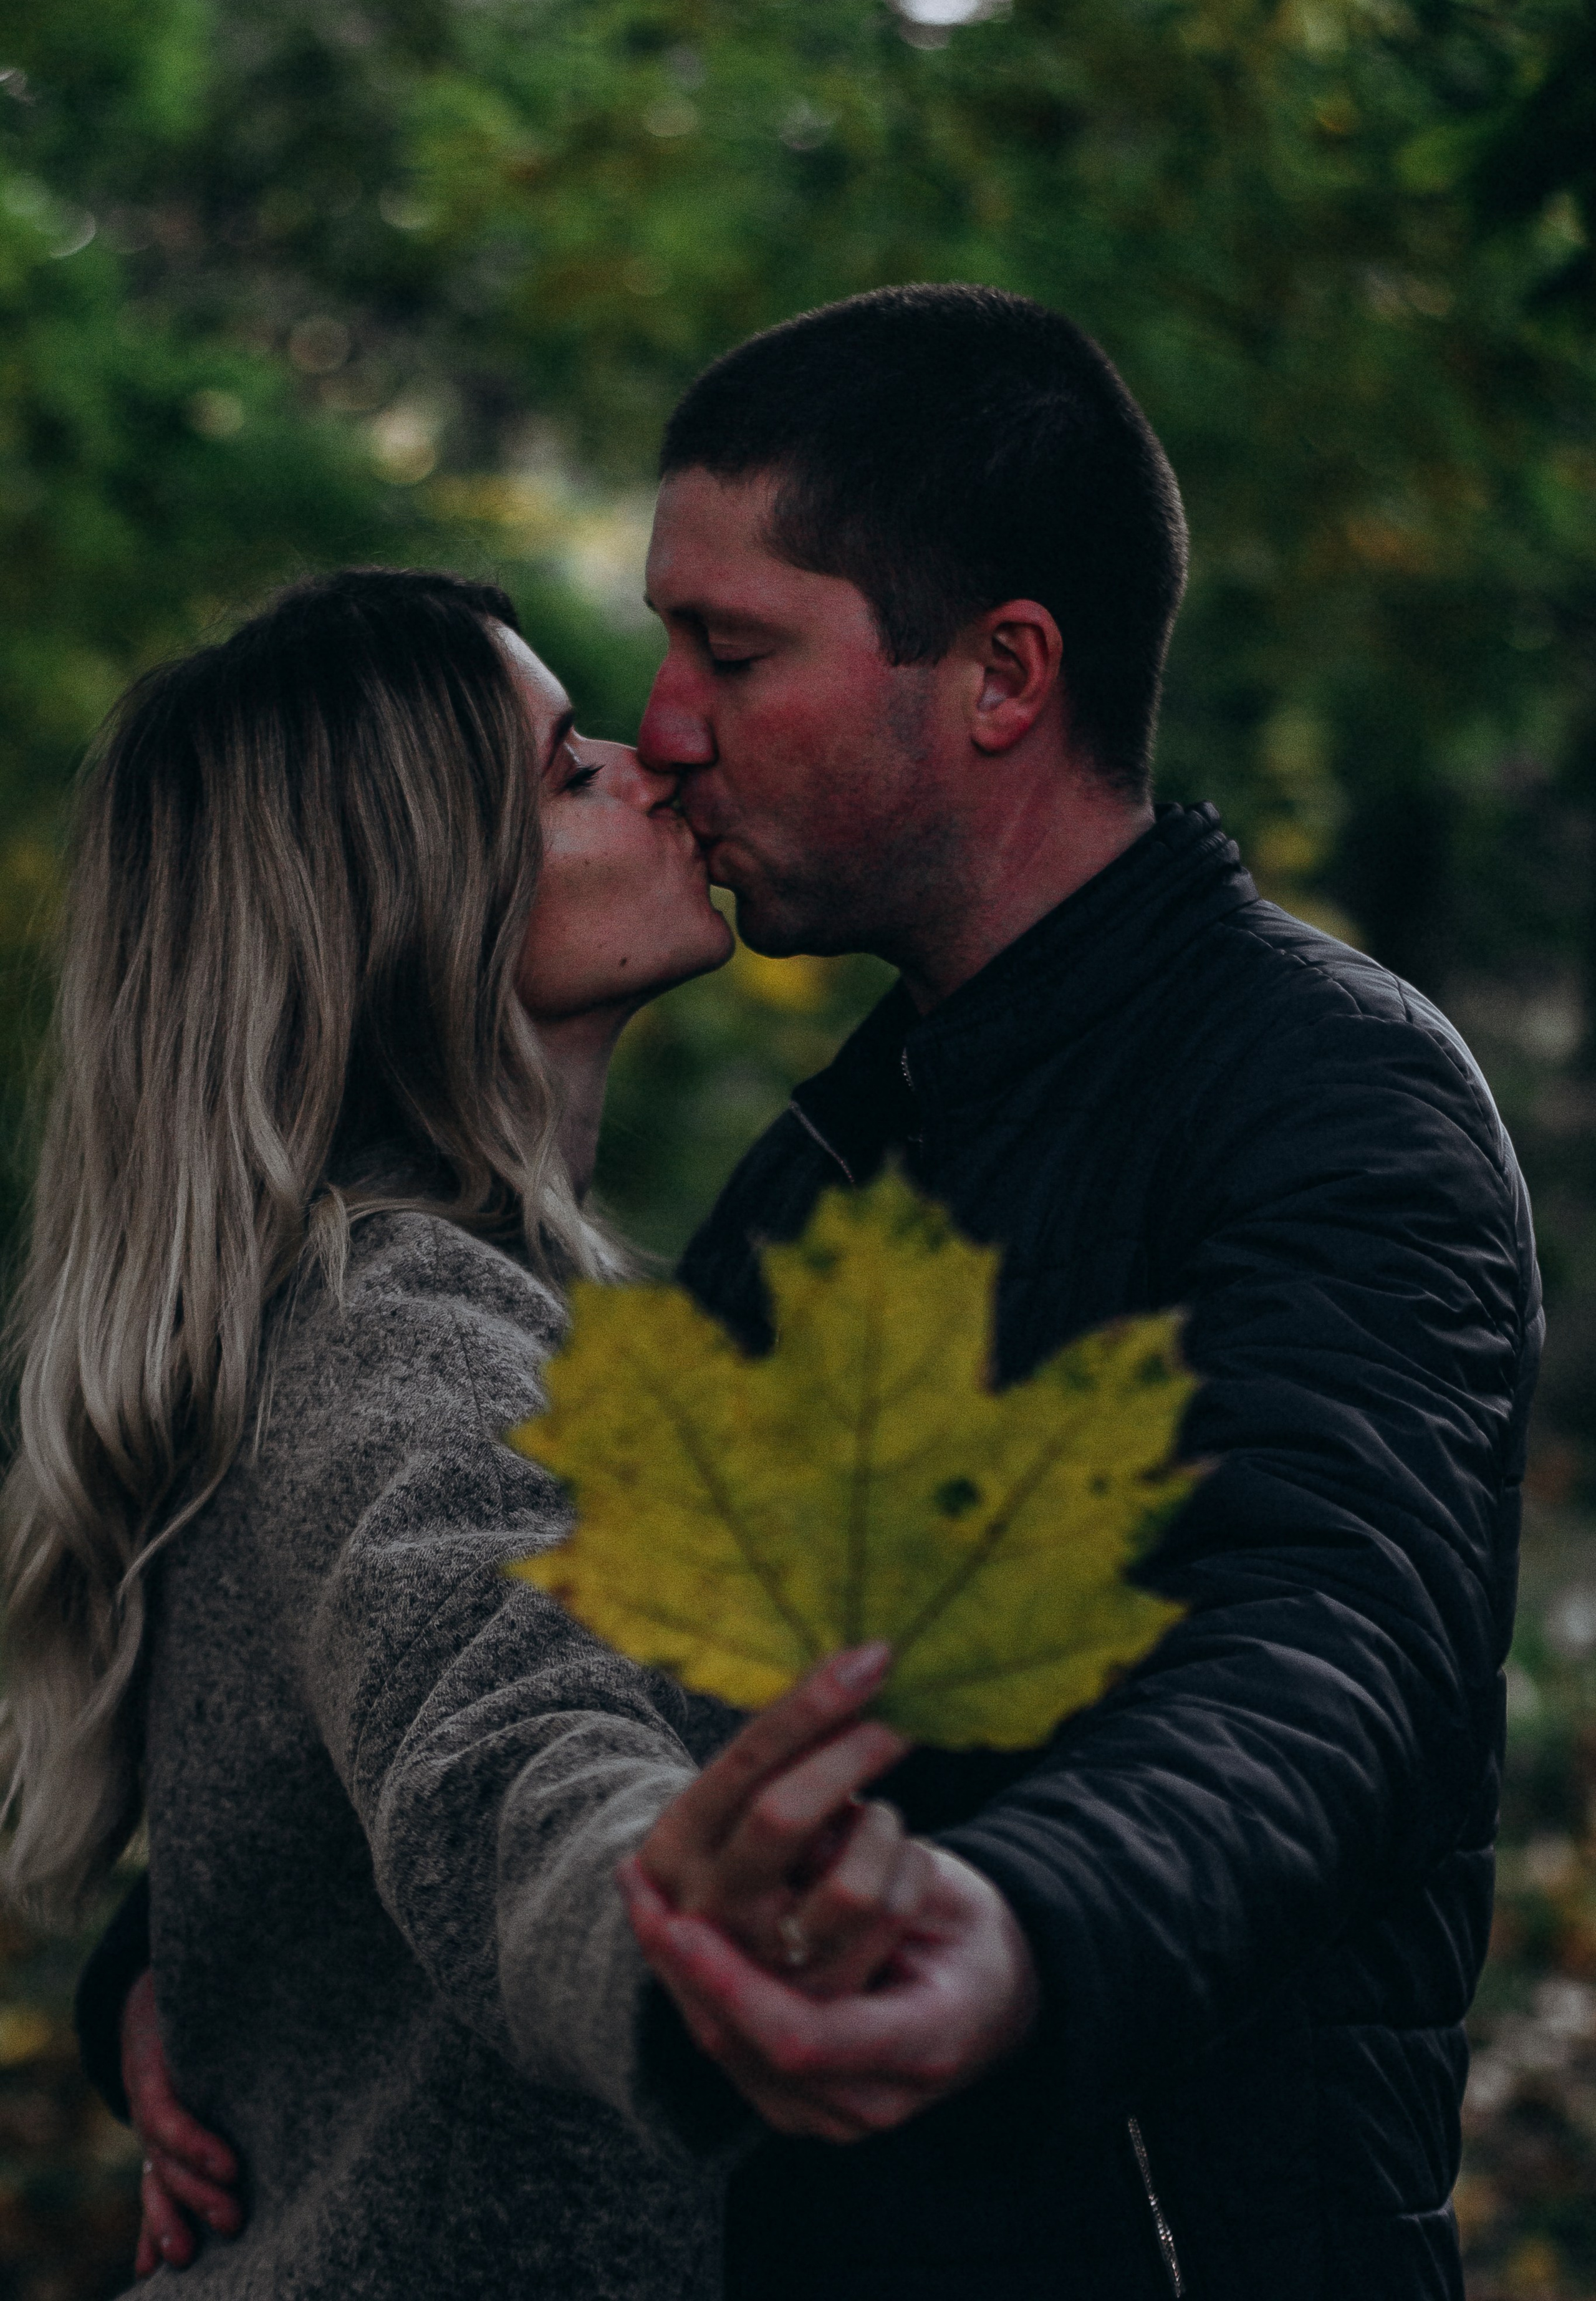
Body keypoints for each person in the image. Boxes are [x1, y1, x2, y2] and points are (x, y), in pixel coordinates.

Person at [84, 288, 1537, 2301]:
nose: (665, 727)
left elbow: (1326, 1654)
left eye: (728, 651)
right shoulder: (818, 1187)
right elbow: (487, 1679)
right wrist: (178, 1974)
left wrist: (1017, 1926)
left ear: (1003, 677)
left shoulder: (1325, 1097)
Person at [1, 566, 1029, 2298]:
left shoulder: (410, 1313)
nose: (655, 764)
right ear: (407, 902)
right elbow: (501, 1746)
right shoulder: (398, 1333)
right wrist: (678, 1941)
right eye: (568, 771)